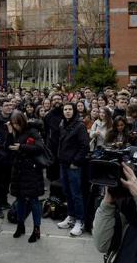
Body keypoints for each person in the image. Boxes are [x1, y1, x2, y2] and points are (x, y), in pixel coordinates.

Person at [8, 111, 45, 243]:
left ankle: (36, 230)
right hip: (18, 170)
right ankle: (20, 225)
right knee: (20, 199)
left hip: (31, 170)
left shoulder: (32, 131)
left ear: (23, 122)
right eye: (14, 124)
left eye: (17, 124)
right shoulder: (14, 131)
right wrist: (10, 132)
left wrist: (22, 147)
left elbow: (40, 147)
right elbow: (10, 146)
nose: (16, 126)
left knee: (34, 200)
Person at [56, 102, 89, 237]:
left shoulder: (79, 126)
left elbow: (84, 146)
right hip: (63, 163)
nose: (67, 111)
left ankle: (80, 221)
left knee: (76, 194)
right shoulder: (63, 124)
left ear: (74, 111)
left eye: (70, 109)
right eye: (65, 109)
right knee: (67, 192)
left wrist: (76, 162)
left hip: (73, 166)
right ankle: (71, 216)